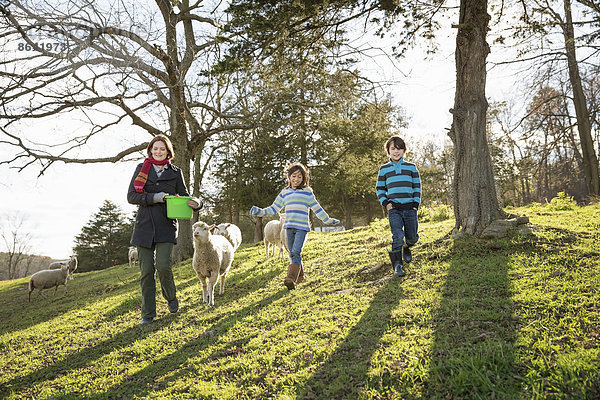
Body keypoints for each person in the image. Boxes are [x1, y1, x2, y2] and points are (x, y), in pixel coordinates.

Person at [127, 134, 202, 325]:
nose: (159, 151)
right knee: (146, 271)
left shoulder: (176, 172)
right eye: (155, 148)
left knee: (163, 266)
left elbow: (185, 196)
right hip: (144, 227)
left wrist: (197, 203)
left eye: (162, 149)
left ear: (168, 151)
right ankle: (148, 314)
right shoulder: (140, 169)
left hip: (166, 226)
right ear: (151, 150)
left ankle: (171, 297)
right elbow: (131, 196)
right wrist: (155, 197)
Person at [249, 162, 339, 290]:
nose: (296, 179)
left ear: (304, 179)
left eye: (300, 177)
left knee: (296, 251)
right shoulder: (284, 192)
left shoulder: (307, 192)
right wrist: (261, 212)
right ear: (289, 177)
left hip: (302, 228)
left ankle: (290, 278)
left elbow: (316, 208)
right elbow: (275, 207)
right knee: (292, 253)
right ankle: (300, 276)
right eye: (294, 176)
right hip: (288, 227)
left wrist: (327, 220)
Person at [376, 136, 421, 277]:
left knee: (412, 237)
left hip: (410, 208)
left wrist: (415, 205)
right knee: (397, 236)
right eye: (393, 149)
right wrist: (386, 204)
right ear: (388, 151)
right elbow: (380, 189)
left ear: (404, 150)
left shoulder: (411, 167)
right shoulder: (384, 169)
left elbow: (417, 187)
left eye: (399, 148)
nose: (396, 152)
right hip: (394, 209)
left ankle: (407, 246)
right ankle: (398, 266)